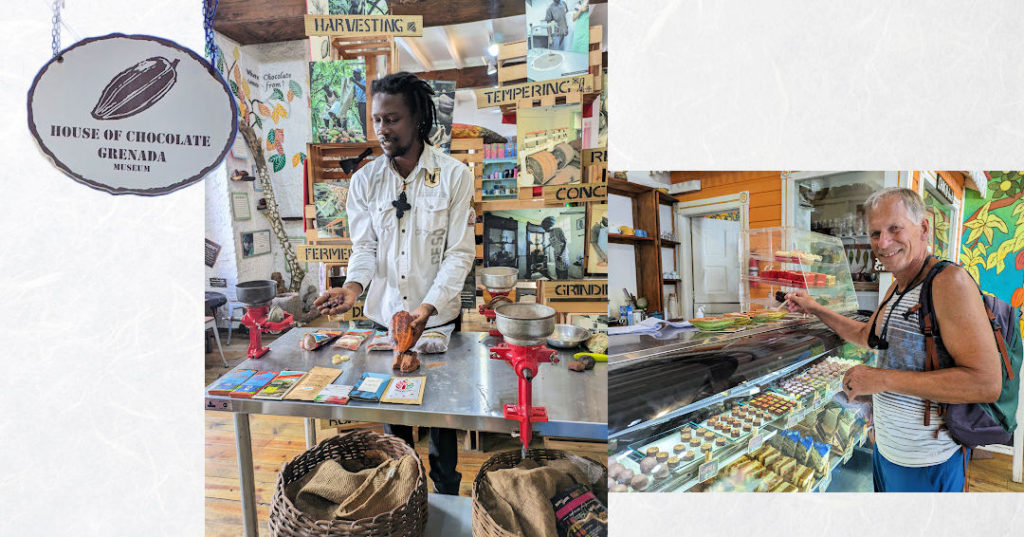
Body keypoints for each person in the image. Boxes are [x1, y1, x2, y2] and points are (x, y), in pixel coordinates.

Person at [314, 72, 475, 495]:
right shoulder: (366, 180)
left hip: (435, 322)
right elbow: (364, 247)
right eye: (377, 119)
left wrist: (428, 308)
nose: (382, 129)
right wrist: (352, 288)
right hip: (385, 320)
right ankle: (405, 492)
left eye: (392, 119)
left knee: (442, 418)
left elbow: (459, 253)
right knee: (395, 416)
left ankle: (446, 491)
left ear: (418, 119)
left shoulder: (455, 176)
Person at [785, 188, 1001, 492]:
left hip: (927, 463)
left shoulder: (948, 282)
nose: (882, 243)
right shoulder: (896, 289)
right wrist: (814, 307)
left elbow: (985, 384)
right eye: (875, 233)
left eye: (894, 228)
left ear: (924, 227)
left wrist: (882, 380)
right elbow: (864, 336)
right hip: (887, 453)